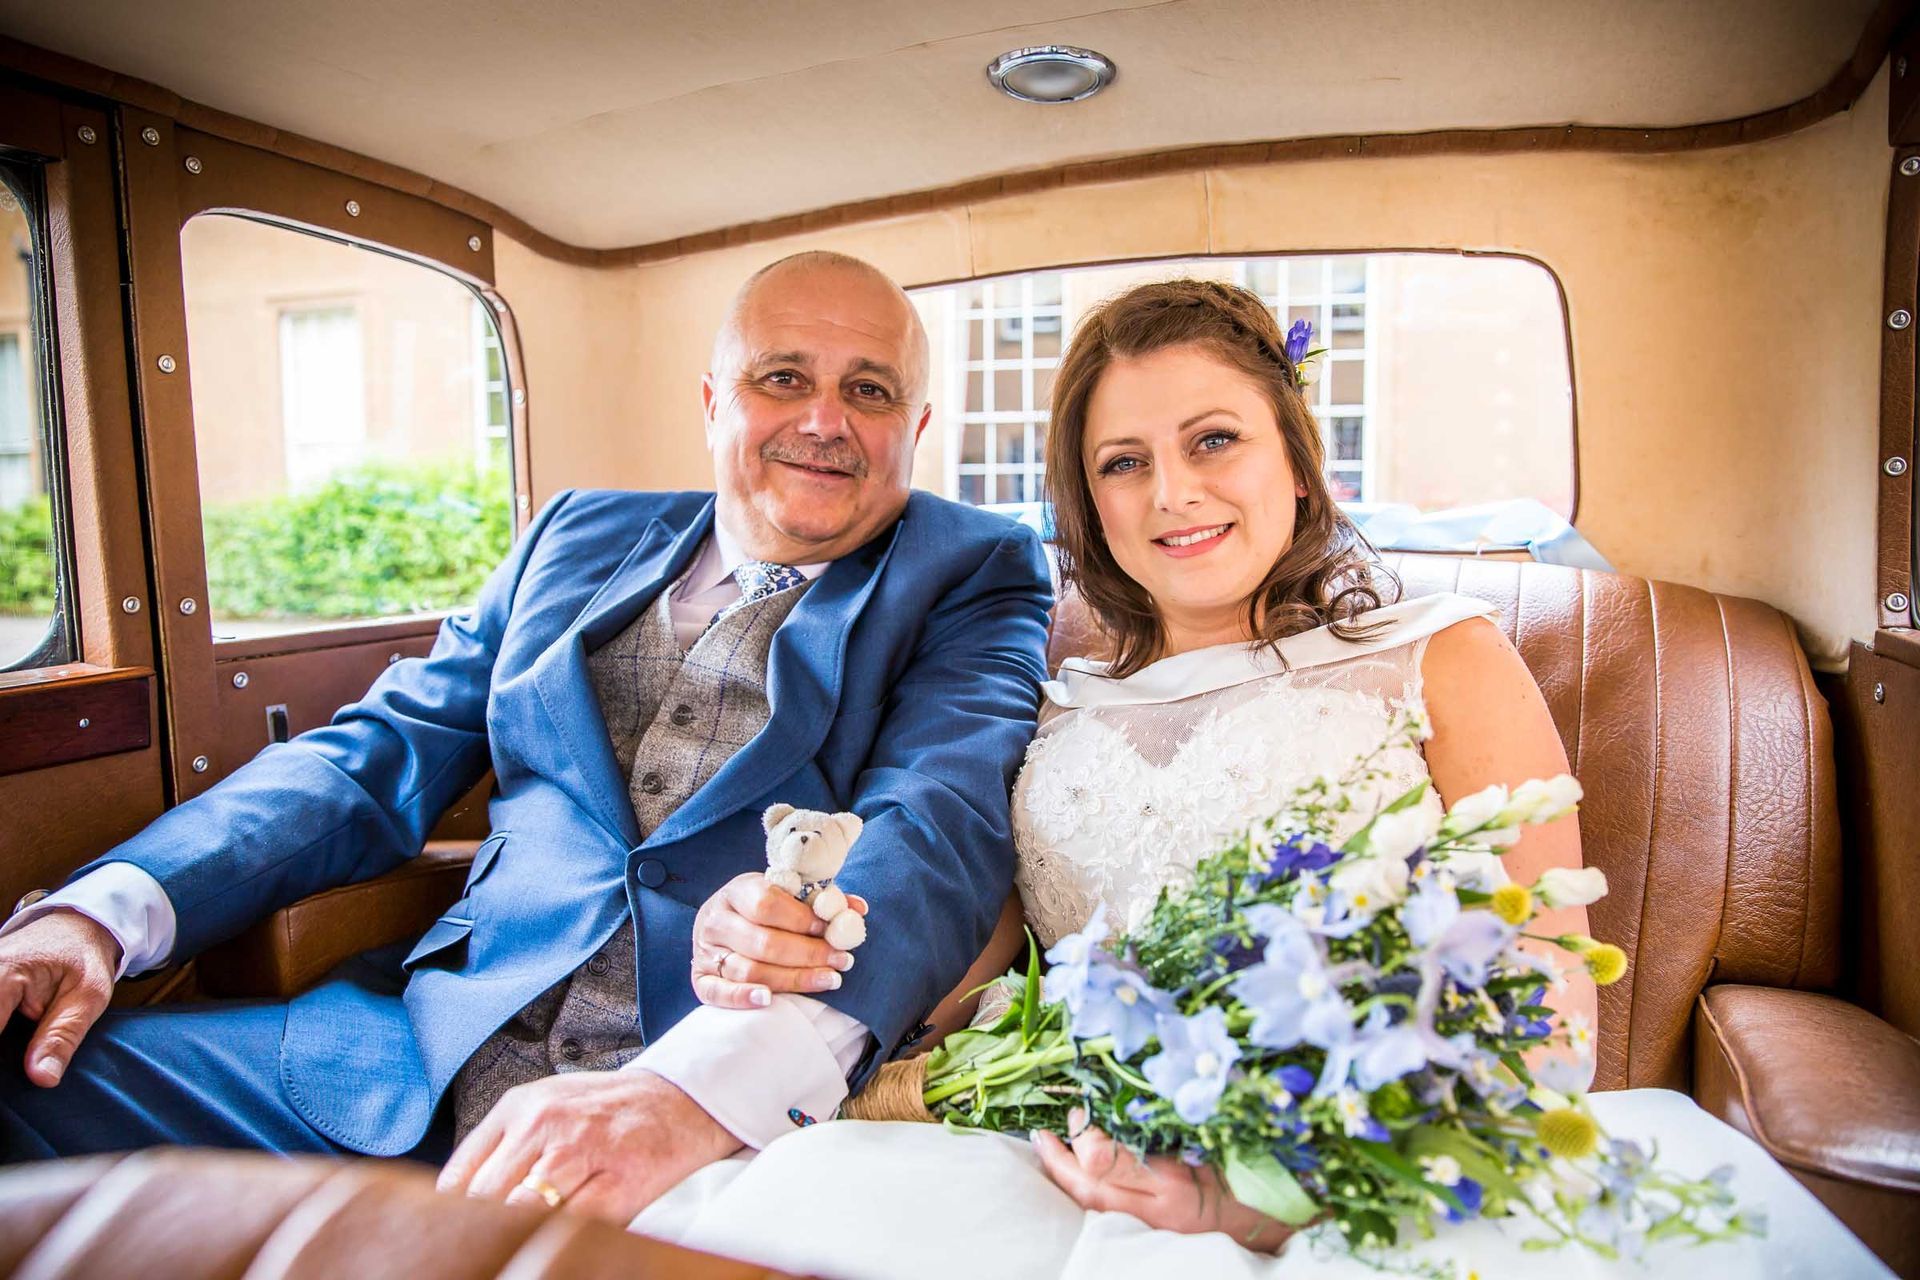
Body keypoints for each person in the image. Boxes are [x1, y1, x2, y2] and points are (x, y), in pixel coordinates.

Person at [640, 279, 1880, 1279]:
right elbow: (975, 984)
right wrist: (795, 940)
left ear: (1295, 459)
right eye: (1123, 462)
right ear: (1090, 503)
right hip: (1057, 1150)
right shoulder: (1053, 709)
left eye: (1214, 439)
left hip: (1372, 1170)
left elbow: (1544, 1006)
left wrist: (1261, 1193)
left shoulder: (1443, 660)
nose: (1171, 491)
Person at [0, 251, 1054, 1225]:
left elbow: (937, 814)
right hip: (415, 1055)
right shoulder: (572, 532)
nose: (824, 419)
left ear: (914, 431)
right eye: (782, 376)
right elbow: (375, 754)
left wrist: (690, 1094)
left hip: (715, 1110)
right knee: (24, 1080)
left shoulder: (974, 568)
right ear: (710, 401)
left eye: (870, 390)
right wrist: (102, 913)